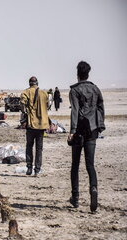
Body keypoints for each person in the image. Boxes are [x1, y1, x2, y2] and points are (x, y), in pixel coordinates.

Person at [68, 61, 105, 212]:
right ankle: (94, 189)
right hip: (93, 130)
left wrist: (72, 130)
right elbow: (101, 107)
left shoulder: (74, 90)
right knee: (90, 165)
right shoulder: (95, 89)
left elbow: (75, 111)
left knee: (75, 165)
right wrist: (99, 125)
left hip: (79, 132)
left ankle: (75, 198)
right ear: (88, 73)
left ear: (78, 74)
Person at [20, 76, 49, 176]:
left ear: (29, 83)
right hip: (41, 125)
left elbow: (22, 104)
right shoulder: (44, 93)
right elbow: (47, 105)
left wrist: (25, 114)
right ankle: (37, 169)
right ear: (37, 83)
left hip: (31, 124)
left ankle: (29, 167)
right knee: (39, 148)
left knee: (29, 146)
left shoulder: (26, 92)